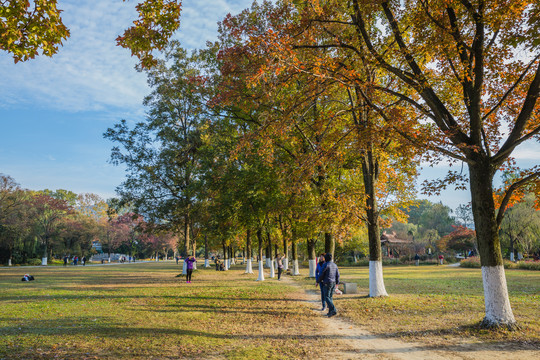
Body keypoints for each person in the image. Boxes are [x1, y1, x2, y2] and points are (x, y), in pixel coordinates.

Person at [318, 253, 339, 317]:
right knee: (330, 297)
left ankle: (333, 310)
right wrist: (337, 283)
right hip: (333, 282)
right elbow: (337, 275)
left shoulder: (325, 265)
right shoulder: (335, 265)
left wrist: (318, 281)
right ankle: (330, 311)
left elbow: (321, 274)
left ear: (325, 258)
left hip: (327, 283)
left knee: (326, 297)